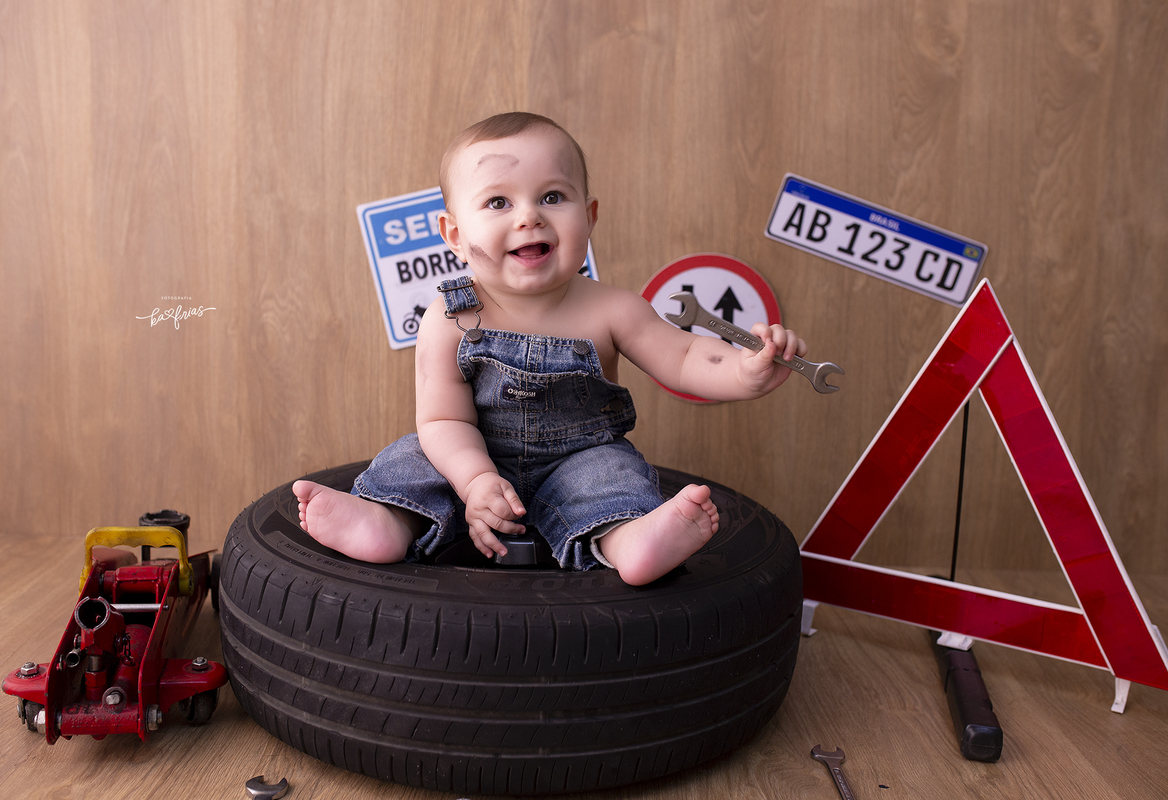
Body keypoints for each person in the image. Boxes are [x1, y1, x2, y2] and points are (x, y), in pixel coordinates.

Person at [294, 112, 807, 586]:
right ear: (455, 233)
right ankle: (385, 522)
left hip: (579, 459)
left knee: (613, 481)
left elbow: (685, 357)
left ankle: (633, 543)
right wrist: (475, 481)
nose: (529, 217)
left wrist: (745, 370)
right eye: (498, 203)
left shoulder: (613, 309)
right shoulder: (449, 319)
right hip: (471, 456)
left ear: (590, 215)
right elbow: (443, 420)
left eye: (553, 197)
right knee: (411, 462)